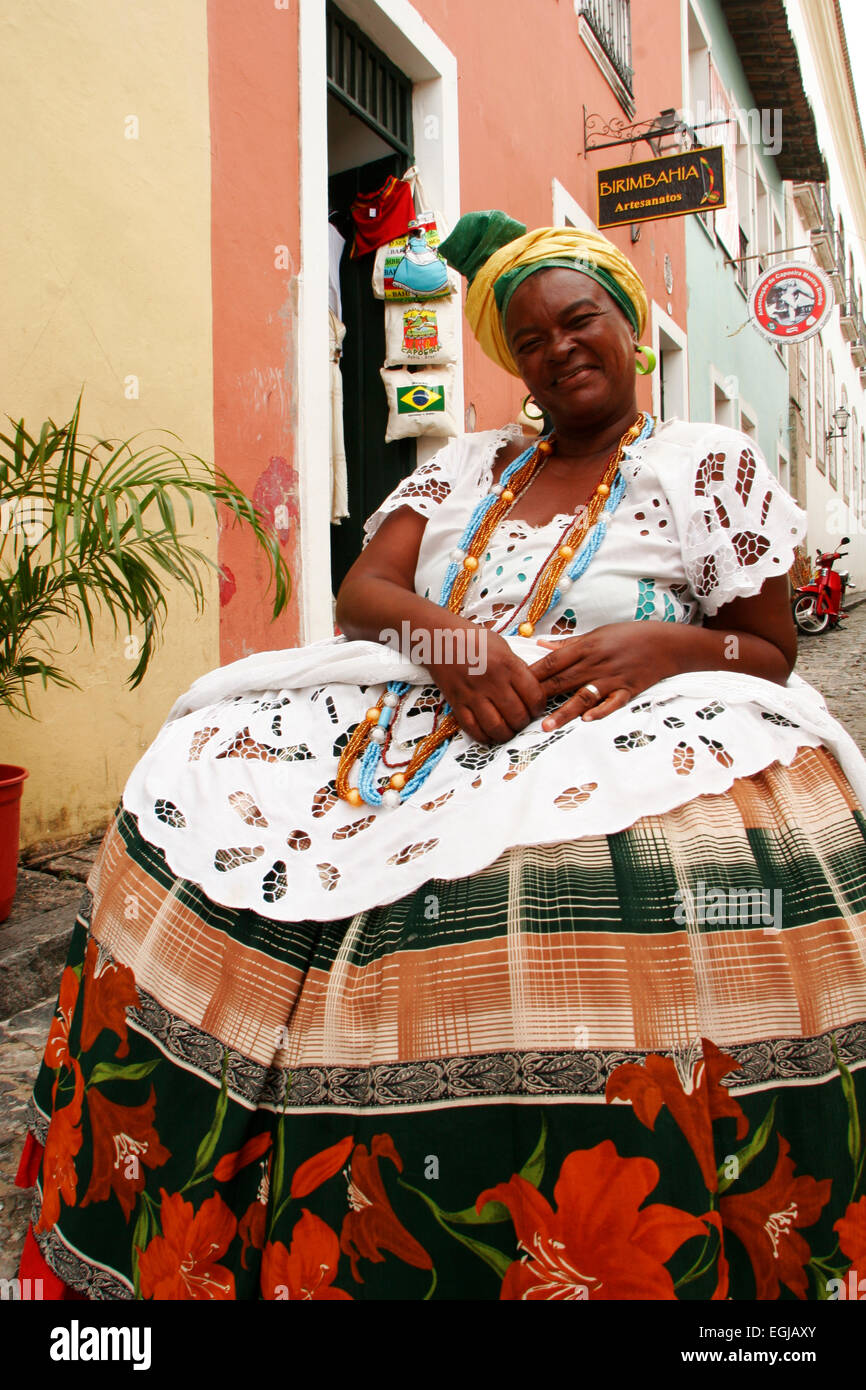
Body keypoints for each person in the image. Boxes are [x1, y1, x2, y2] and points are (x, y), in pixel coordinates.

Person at [15, 211, 866, 1302]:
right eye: (529, 341)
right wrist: (454, 646)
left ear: (628, 330)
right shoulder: (466, 465)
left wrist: (667, 646)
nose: (559, 349)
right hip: (430, 699)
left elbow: (768, 646)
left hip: (635, 718)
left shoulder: (705, 462)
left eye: (579, 319)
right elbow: (365, 594)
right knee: (197, 794)